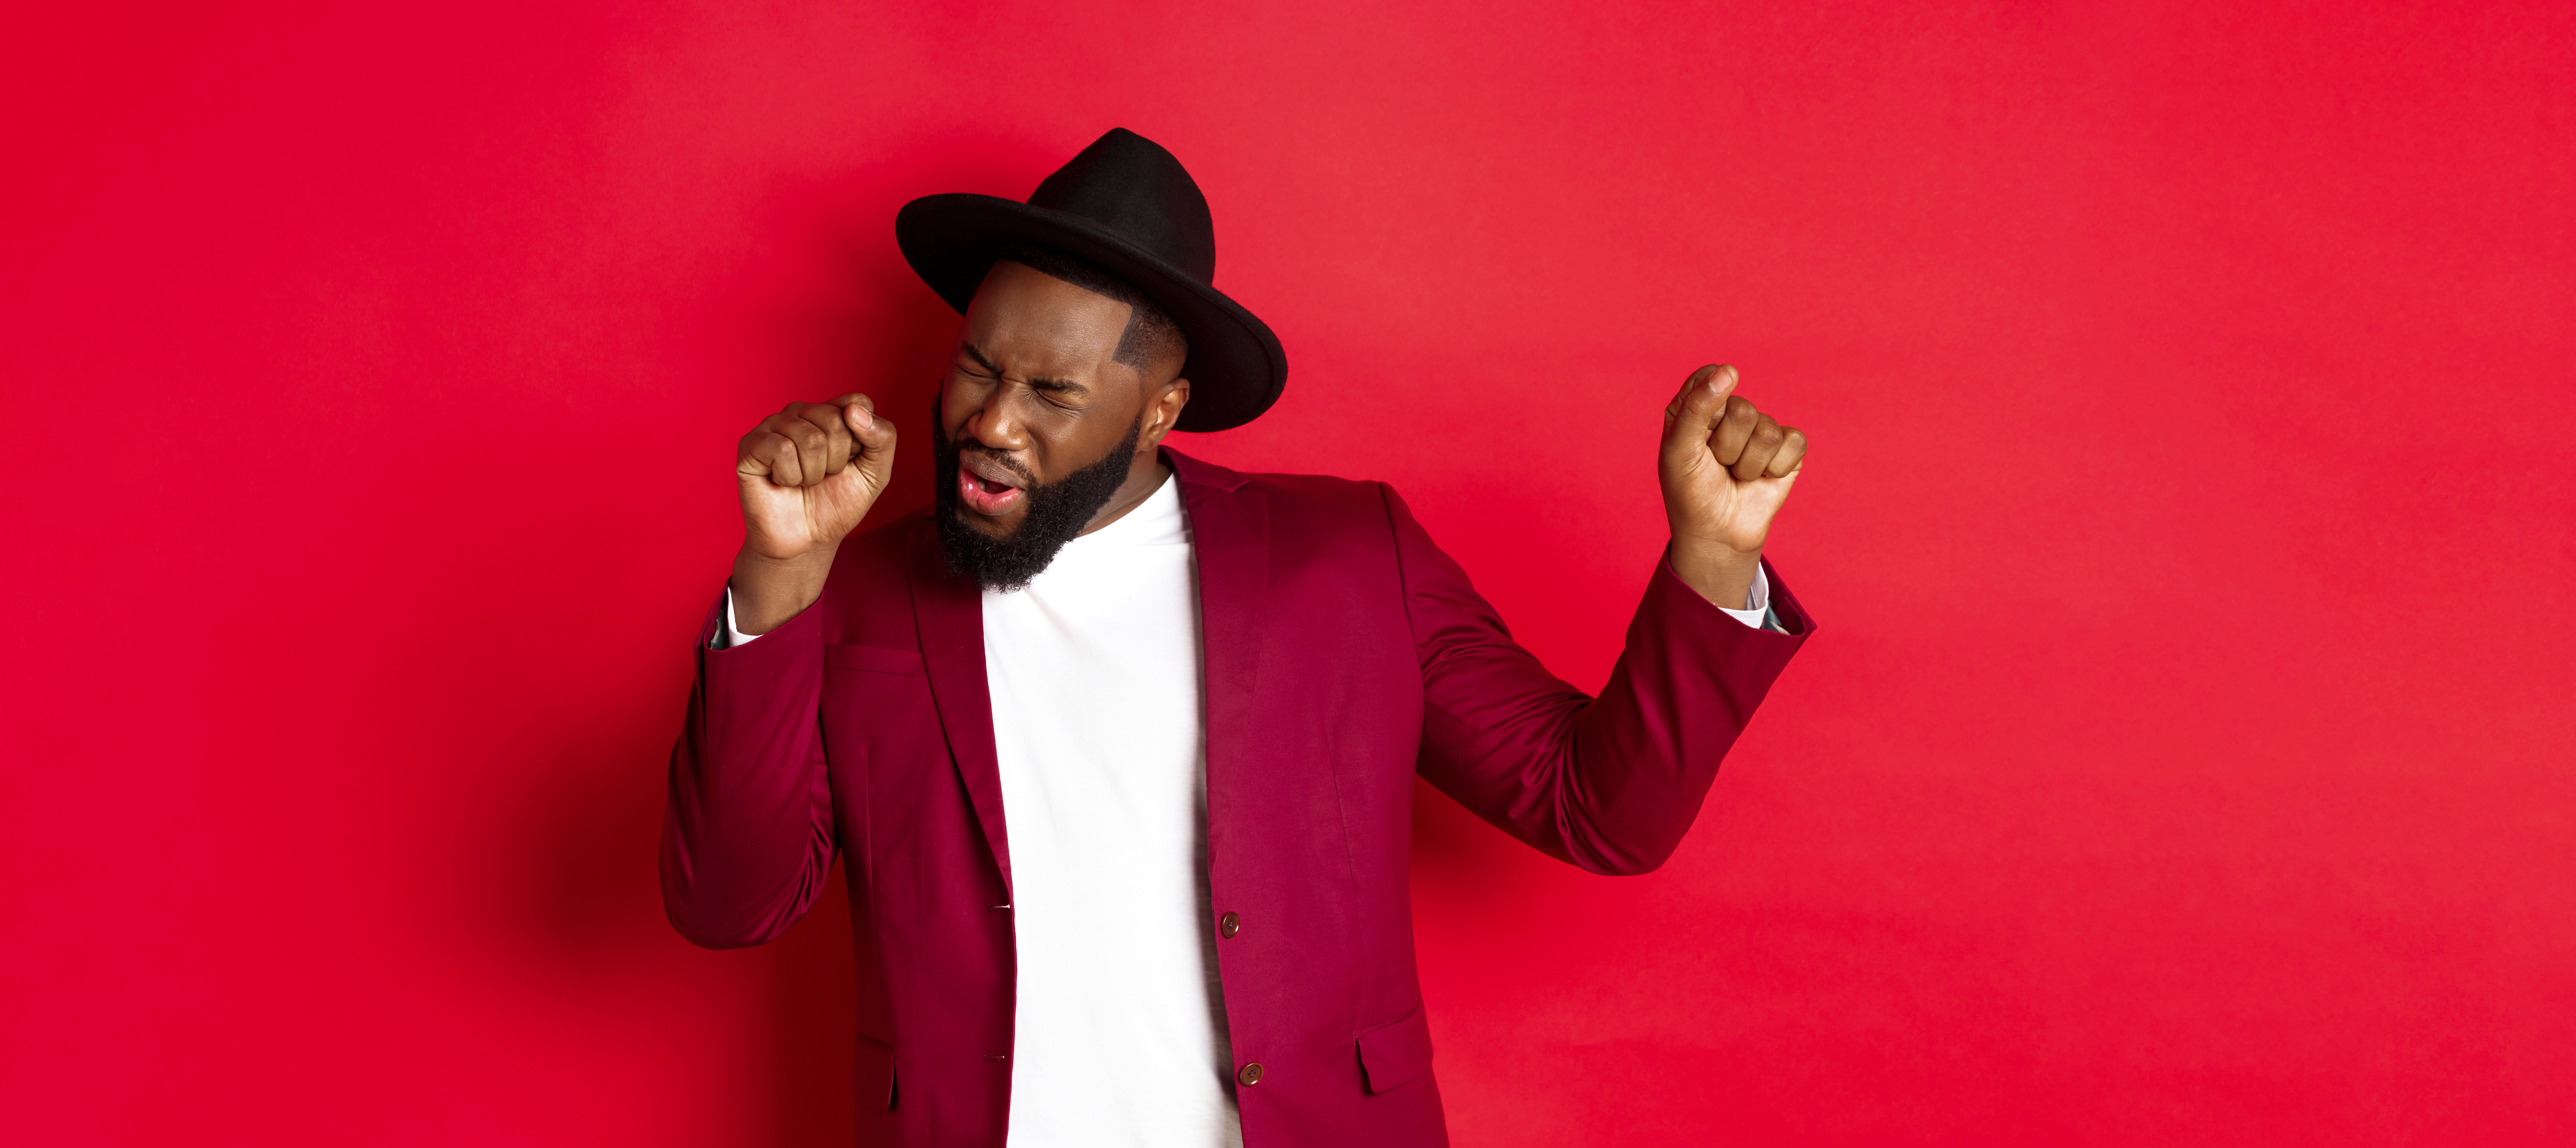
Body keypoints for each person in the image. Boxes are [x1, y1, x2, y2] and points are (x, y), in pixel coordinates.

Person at [663, 128, 1814, 1148]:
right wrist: (779, 573)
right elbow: (730, 902)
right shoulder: (851, 585)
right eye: (978, 365)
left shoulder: (1350, 560)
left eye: (1054, 393)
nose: (992, 422)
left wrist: (1711, 557)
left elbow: (1597, 809)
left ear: (1159, 409)